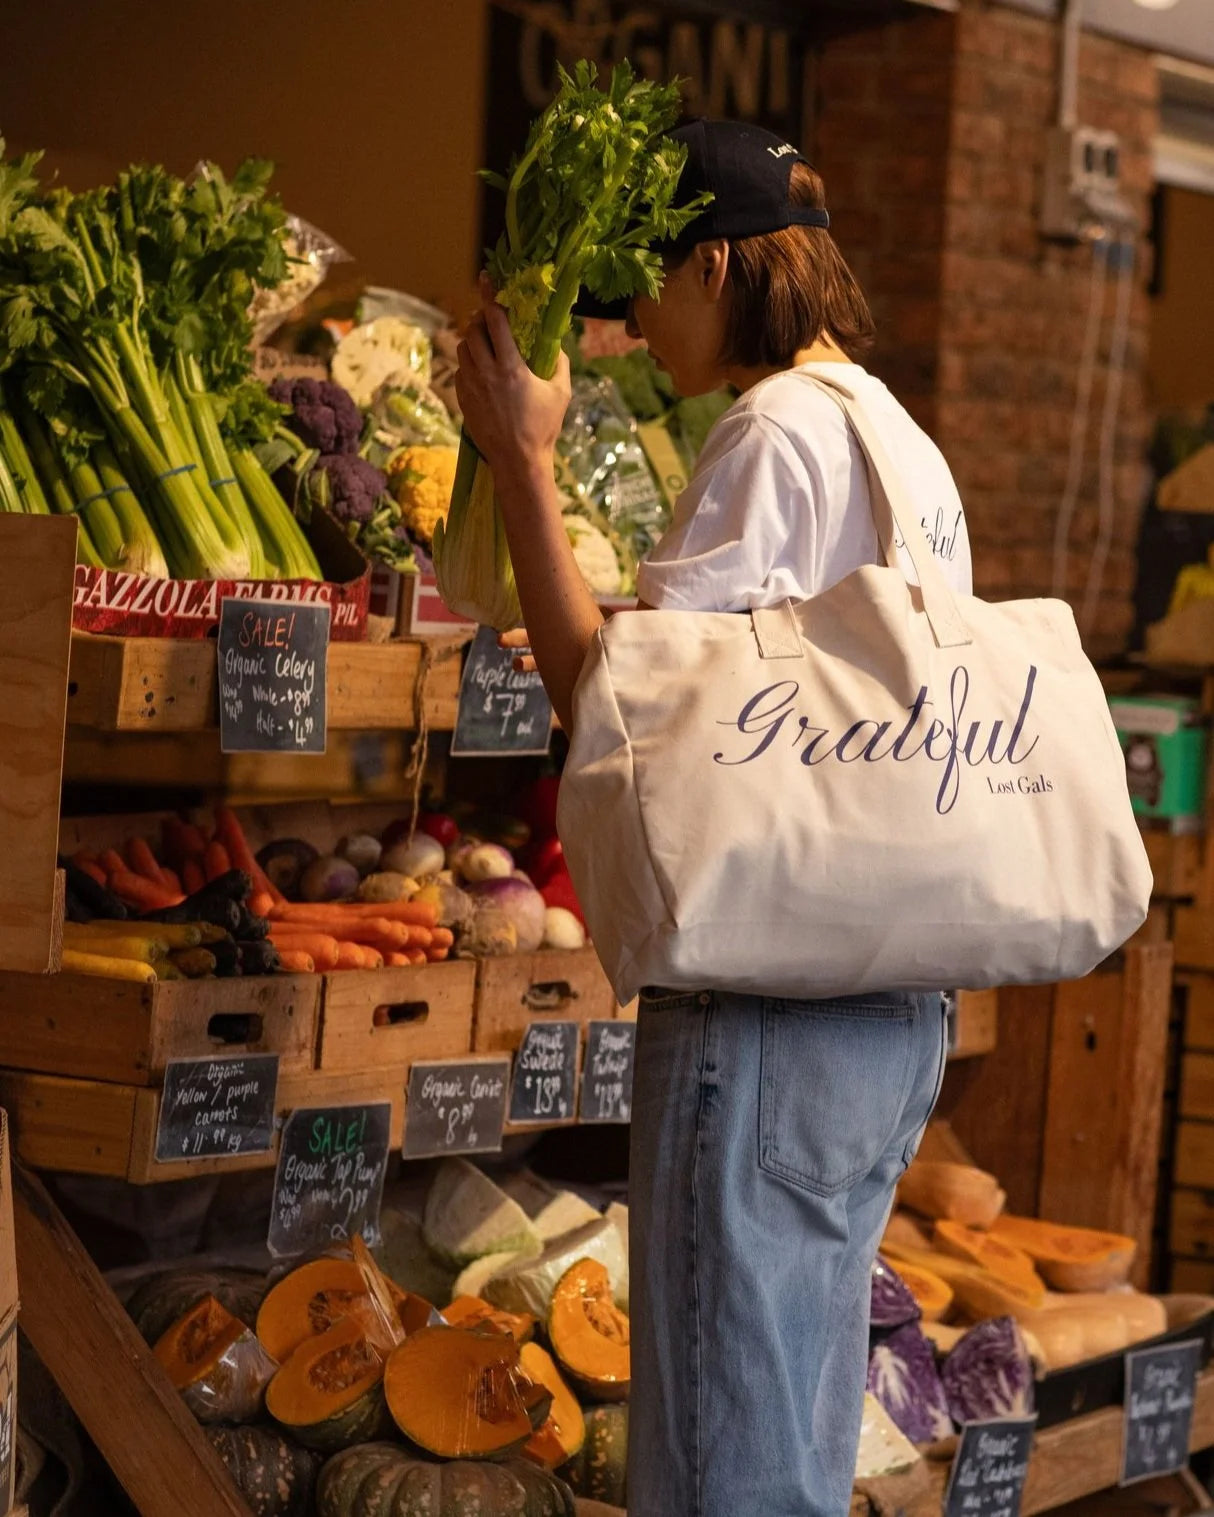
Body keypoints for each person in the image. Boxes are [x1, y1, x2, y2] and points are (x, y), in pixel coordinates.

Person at [455, 119, 970, 1517]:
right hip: (888, 1012)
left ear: (723, 266)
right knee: (791, 1448)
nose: (634, 314)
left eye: (655, 278)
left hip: (767, 1020)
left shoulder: (771, 432)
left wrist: (520, 457)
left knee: (718, 1478)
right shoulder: (894, 437)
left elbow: (617, 718)